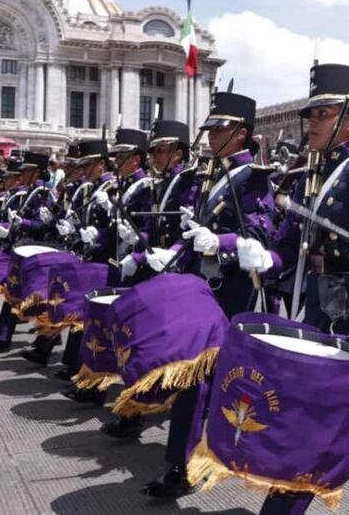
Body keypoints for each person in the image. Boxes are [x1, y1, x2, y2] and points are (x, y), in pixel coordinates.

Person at [237, 64, 349, 515]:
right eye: (310, 114)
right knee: (335, 417)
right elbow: (285, 246)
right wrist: (266, 259)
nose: (311, 122)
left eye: (322, 113)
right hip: (321, 308)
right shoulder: (310, 176)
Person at [139, 90, 277, 499]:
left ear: (241, 134)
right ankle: (182, 464)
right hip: (200, 290)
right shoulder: (211, 177)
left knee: (211, 382)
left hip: (231, 293)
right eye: (210, 129)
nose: (211, 136)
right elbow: (196, 231)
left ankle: (188, 464)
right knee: (194, 378)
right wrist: (174, 252)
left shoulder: (254, 178)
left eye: (219, 129)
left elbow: (259, 234)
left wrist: (222, 241)